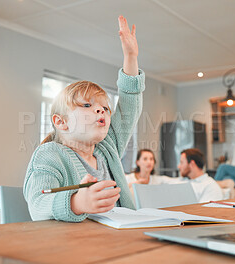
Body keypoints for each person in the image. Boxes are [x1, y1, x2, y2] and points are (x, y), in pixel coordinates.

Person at [23, 15, 144, 222]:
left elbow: (128, 109)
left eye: (105, 108)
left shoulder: (108, 148)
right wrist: (77, 202)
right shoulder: (49, 154)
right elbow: (37, 204)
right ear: (61, 122)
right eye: (87, 105)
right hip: (75, 248)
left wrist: (131, 57)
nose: (101, 111)